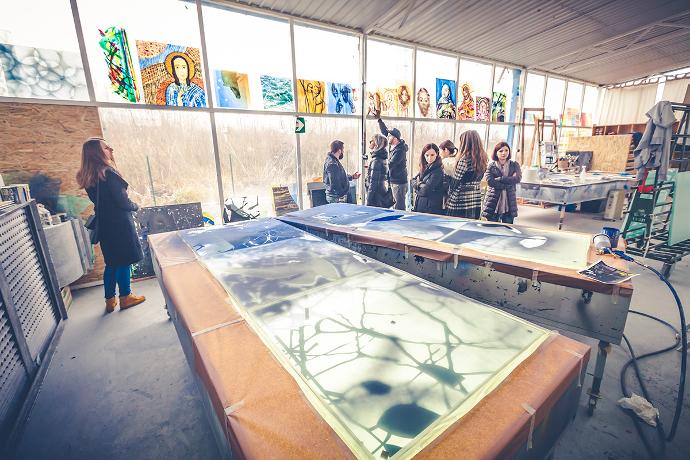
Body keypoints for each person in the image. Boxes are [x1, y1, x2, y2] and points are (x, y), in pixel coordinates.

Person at [76, 137, 146, 313]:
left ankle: (110, 300)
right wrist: (136, 206)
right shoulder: (108, 173)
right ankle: (126, 297)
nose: (111, 150)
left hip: (105, 226)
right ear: (97, 153)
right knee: (124, 261)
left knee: (112, 263)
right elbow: (122, 202)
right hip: (120, 225)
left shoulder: (89, 176)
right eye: (106, 148)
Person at [446, 130, 488, 219]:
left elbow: (455, 182)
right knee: (470, 226)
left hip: (461, 198)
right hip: (475, 196)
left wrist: (448, 194)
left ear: (466, 143)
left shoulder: (464, 160)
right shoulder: (482, 158)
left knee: (455, 226)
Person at [482, 142, 522, 224]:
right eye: (500, 151)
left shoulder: (514, 165)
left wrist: (500, 178)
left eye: (506, 150)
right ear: (496, 153)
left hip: (509, 202)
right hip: (493, 201)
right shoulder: (491, 166)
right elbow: (490, 182)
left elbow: (517, 179)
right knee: (492, 228)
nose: (504, 153)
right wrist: (508, 183)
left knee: (507, 229)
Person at [377, 114, 409, 210]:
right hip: (395, 181)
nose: (387, 137)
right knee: (395, 204)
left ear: (395, 139)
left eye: (390, 136)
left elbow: (391, 164)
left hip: (399, 183)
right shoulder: (395, 146)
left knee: (399, 207)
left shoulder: (400, 150)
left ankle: (400, 224)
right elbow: (384, 131)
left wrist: (379, 166)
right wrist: (379, 120)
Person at [412, 143, 444, 215]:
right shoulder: (425, 167)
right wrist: (420, 185)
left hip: (430, 209)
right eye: (427, 155)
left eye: (432, 155)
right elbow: (412, 180)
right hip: (421, 205)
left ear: (437, 154)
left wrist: (417, 186)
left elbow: (426, 190)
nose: (429, 158)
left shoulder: (438, 171)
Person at [365, 134, 389, 207]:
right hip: (380, 193)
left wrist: (368, 201)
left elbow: (373, 183)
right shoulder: (381, 158)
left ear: (376, 143)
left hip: (376, 197)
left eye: (371, 141)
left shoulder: (376, 161)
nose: (370, 142)